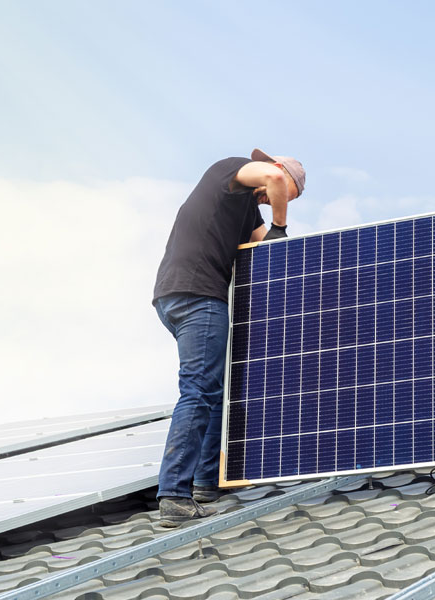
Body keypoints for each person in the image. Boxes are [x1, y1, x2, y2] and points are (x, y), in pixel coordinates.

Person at [152, 148, 305, 526]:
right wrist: (281, 226)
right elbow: (275, 184)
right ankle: (174, 494)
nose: (274, 201)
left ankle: (205, 483)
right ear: (275, 171)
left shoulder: (244, 210)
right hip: (199, 296)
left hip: (176, 296)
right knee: (200, 390)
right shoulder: (233, 169)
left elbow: (263, 249)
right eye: (279, 197)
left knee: (215, 390)